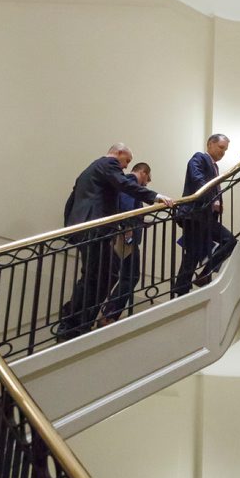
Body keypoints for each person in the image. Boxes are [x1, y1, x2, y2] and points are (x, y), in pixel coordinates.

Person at [57, 144, 173, 340]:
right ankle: (71, 323)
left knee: (103, 274)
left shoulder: (89, 170)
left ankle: (79, 320)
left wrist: (71, 227)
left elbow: (72, 200)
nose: (126, 167)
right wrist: (155, 196)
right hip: (94, 228)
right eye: (126, 161)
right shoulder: (109, 163)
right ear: (118, 153)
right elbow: (124, 184)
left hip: (86, 228)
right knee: (95, 277)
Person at [173, 134, 237, 296]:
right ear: (210, 144)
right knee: (192, 257)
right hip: (194, 215)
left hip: (205, 217)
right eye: (221, 148)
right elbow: (197, 179)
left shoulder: (214, 167)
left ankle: (203, 276)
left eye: (225, 150)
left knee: (228, 241)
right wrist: (213, 200)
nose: (223, 152)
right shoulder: (199, 158)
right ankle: (181, 293)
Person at [98, 162, 152, 326]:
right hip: (125, 236)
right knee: (130, 276)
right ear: (143, 172)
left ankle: (107, 313)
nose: (147, 183)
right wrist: (129, 230)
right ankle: (109, 314)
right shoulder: (130, 183)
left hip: (123, 234)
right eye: (147, 179)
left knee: (123, 275)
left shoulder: (125, 183)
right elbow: (128, 208)